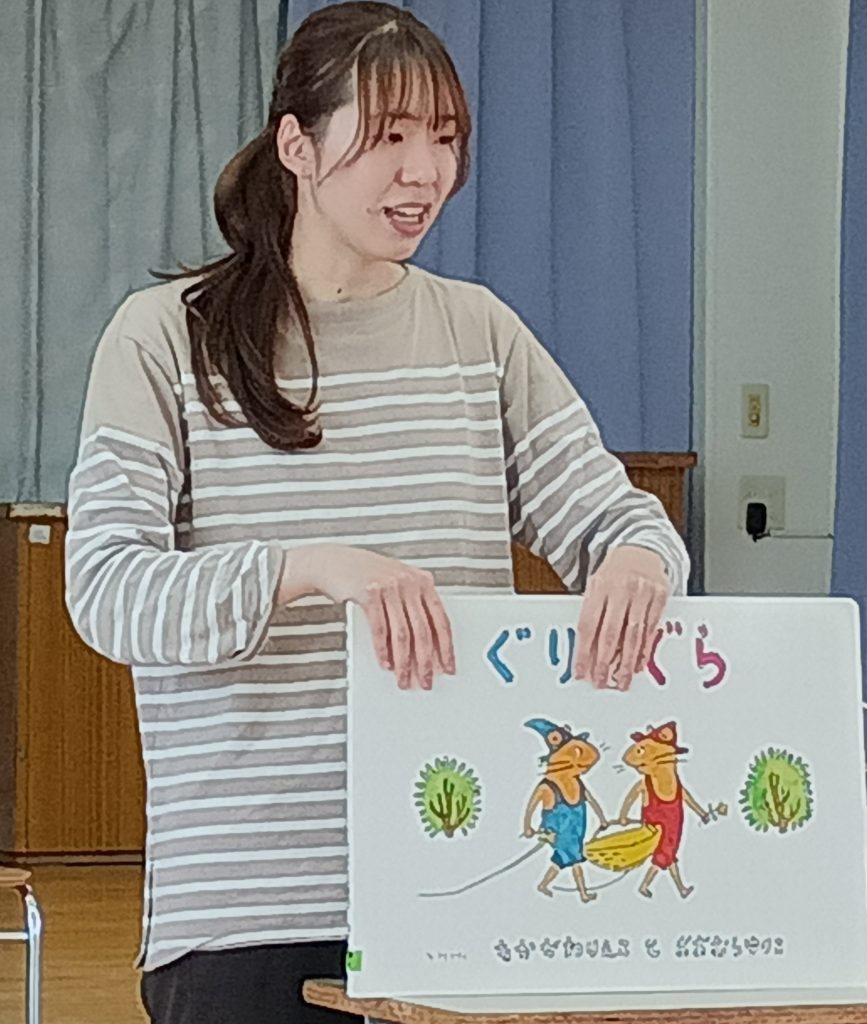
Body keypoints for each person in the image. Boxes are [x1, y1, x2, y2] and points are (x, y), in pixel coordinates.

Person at [64, 2, 690, 1020]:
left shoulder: (477, 333)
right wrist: (306, 567)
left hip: (461, 894)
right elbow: (105, 590)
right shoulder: (164, 338)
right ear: (297, 145)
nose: (424, 172)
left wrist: (638, 559)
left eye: (443, 139)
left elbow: (615, 516)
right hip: (249, 908)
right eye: (389, 136)